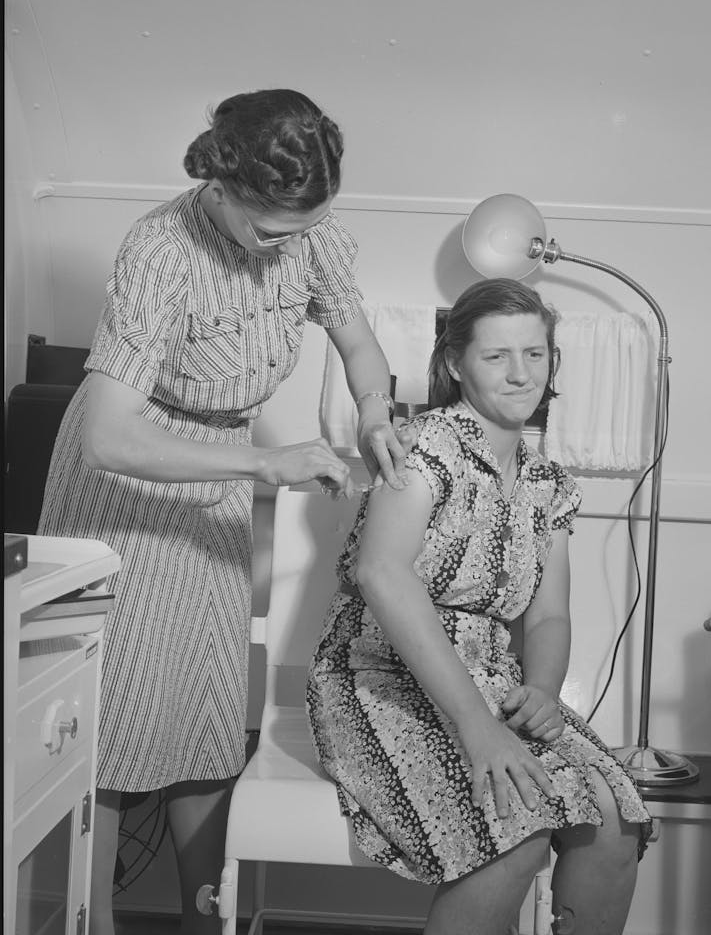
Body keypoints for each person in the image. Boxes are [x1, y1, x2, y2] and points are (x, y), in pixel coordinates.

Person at [37, 87, 409, 935]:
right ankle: (81, 919)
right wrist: (266, 463)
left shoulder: (308, 235)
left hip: (216, 485)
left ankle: (206, 922)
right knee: (107, 729)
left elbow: (357, 341)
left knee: (204, 718)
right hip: (128, 489)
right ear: (221, 185)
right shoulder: (159, 254)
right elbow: (107, 437)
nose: (291, 245)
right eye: (271, 228)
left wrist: (376, 409)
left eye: (306, 226)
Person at [306, 278, 652, 935]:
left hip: (494, 679)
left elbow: (548, 616)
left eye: (536, 354)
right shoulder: (421, 444)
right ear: (456, 362)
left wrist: (543, 691)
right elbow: (381, 572)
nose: (521, 373)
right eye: (497, 357)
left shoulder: (548, 484)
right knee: (515, 825)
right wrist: (476, 726)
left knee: (610, 822)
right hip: (377, 673)